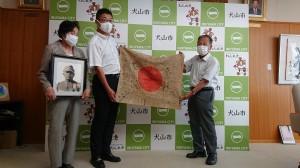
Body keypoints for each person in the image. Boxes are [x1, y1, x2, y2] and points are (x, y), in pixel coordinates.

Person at [37, 20, 90, 168]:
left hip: (76, 97)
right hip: (57, 97)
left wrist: (87, 87)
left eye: (77, 34)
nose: (75, 36)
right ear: (63, 33)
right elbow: (42, 73)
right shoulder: (51, 48)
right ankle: (56, 164)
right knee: (55, 130)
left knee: (73, 130)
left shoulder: (79, 51)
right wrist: (47, 87)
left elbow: (84, 74)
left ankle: (67, 161)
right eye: (72, 33)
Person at [87, 8, 121, 168]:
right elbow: (98, 68)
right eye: (104, 19)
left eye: (110, 20)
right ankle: (96, 155)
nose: (107, 23)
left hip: (116, 81)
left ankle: (106, 151)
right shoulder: (94, 41)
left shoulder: (112, 40)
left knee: (111, 119)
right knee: (100, 119)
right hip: (103, 83)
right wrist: (108, 89)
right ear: (97, 22)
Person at [180, 34, 220, 165]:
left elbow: (204, 81)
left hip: (204, 93)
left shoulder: (213, 61)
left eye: (204, 44)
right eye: (199, 44)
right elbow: (183, 68)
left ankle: (212, 153)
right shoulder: (195, 59)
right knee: (195, 122)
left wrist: (190, 93)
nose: (201, 46)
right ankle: (199, 150)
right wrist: (180, 60)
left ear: (210, 47)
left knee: (207, 124)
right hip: (194, 92)